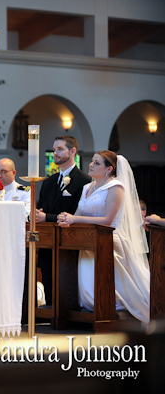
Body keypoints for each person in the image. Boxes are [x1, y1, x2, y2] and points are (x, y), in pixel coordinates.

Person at [57, 151, 150, 323]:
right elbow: (77, 214)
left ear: (109, 169)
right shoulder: (87, 188)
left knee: (119, 289)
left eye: (97, 163)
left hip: (110, 241)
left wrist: (75, 218)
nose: (91, 165)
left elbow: (108, 220)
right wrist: (66, 219)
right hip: (88, 242)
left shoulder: (116, 187)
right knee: (88, 289)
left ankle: (116, 312)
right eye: (92, 161)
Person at [35, 136, 92, 305]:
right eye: (54, 150)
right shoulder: (49, 182)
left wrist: (47, 217)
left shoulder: (85, 181)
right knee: (48, 281)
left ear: (72, 151)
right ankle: (50, 315)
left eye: (60, 149)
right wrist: (38, 215)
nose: (55, 153)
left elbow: (80, 213)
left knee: (67, 287)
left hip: (70, 242)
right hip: (48, 243)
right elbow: (41, 209)